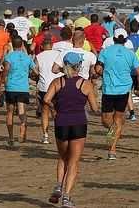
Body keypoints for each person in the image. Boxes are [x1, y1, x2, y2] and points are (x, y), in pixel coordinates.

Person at [44, 52, 99, 208]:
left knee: (63, 158)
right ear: (79, 65)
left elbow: (46, 99)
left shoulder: (57, 82)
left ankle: (58, 186)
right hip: (78, 123)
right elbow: (95, 108)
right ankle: (67, 198)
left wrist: (55, 108)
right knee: (74, 162)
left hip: (61, 122)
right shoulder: (85, 84)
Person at [95, 29, 139, 160]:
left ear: (114, 39)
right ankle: (113, 143)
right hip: (123, 90)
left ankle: (112, 150)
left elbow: (98, 69)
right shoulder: (131, 54)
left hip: (109, 89)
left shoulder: (105, 51)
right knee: (118, 119)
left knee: (106, 119)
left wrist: (101, 74)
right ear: (126, 40)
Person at [2, 36, 38, 145]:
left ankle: (11, 137)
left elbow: (7, 69)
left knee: (10, 113)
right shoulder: (27, 58)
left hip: (11, 88)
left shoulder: (9, 56)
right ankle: (23, 123)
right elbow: (35, 71)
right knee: (22, 112)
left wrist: (4, 79)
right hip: (23, 88)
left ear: (12, 45)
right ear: (22, 45)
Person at [35, 38, 64, 144]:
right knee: (56, 110)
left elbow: (35, 71)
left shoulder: (39, 56)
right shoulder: (59, 54)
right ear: (52, 45)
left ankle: (45, 135)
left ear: (42, 46)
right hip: (57, 85)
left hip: (44, 86)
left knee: (44, 111)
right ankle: (59, 131)